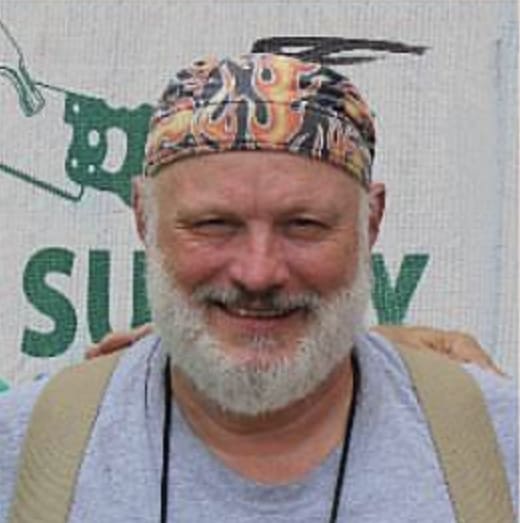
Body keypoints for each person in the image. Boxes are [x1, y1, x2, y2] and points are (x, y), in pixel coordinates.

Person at [0, 53, 516, 523]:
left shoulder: (500, 447)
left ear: (371, 223)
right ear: (143, 219)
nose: (258, 273)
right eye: (213, 224)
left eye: (304, 225)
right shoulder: (23, 453)